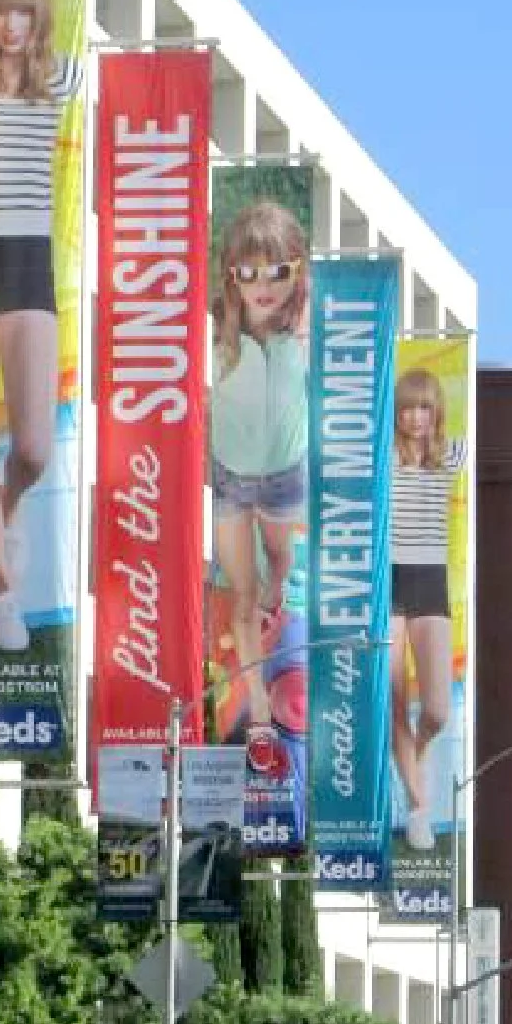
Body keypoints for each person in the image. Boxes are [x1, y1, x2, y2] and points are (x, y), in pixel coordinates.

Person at [0, 0, 81, 653]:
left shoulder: (61, 77)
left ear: (38, 20)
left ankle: (7, 512)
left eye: (23, 12)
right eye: (0, 11)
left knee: (32, 447)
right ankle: (2, 592)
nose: (10, 25)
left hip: (28, 255)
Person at [207, 199, 311, 732]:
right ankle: (258, 704)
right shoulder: (216, 336)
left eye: (277, 272)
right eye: (248, 273)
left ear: (296, 274)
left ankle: (280, 586)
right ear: (233, 276)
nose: (263, 285)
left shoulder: (304, 335)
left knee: (280, 559)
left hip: (285, 476)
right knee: (242, 597)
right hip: (230, 477)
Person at [389, 365, 464, 851]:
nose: (416, 417)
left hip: (430, 580)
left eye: (424, 408)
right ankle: (418, 807)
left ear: (436, 412)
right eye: (407, 408)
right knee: (395, 701)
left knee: (436, 710)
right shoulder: (385, 457)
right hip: (389, 581)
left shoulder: (451, 454)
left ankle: (415, 758)